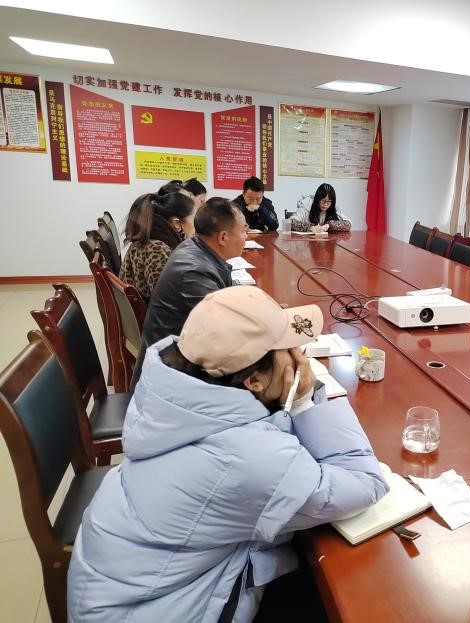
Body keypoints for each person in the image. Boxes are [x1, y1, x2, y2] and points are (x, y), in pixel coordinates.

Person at [68, 286, 389, 622]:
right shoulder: (247, 459)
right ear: (254, 381)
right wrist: (304, 400)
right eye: (288, 349)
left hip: (120, 590)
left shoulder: (173, 395)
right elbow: (365, 482)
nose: (299, 355)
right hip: (152, 610)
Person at [132, 197, 247, 386]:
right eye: (243, 231)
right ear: (223, 237)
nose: (246, 237)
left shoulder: (197, 246)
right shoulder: (193, 272)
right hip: (170, 374)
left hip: (179, 356)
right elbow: (228, 330)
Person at [119, 192, 196, 302]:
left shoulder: (153, 240)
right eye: (194, 218)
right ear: (177, 223)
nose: (197, 224)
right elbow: (167, 298)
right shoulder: (157, 250)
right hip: (154, 311)